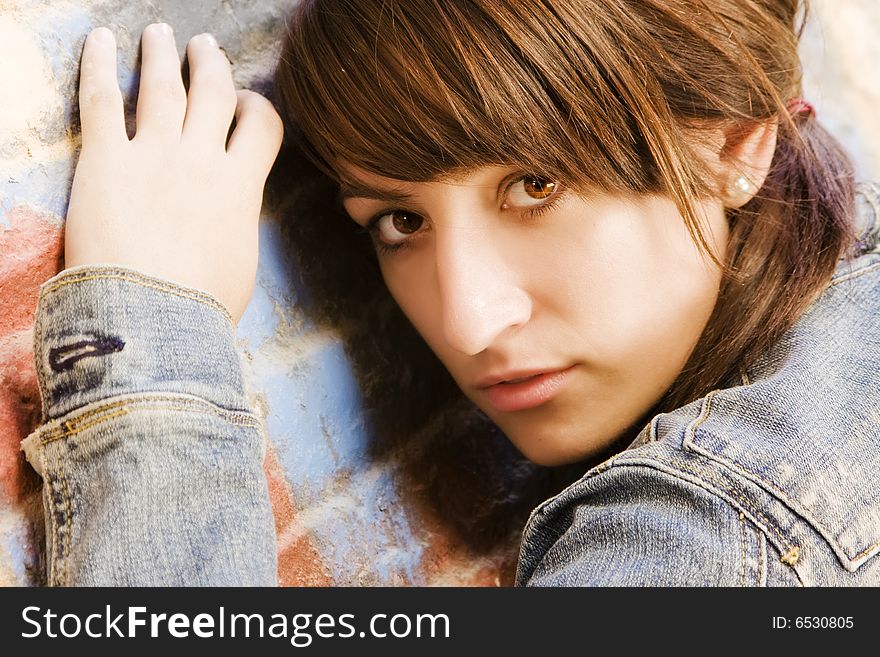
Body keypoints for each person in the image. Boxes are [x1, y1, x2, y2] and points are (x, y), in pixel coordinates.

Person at [22, 0, 880, 585]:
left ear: (735, 145)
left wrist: (152, 351)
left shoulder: (702, 542)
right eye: (399, 220)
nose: (468, 320)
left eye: (537, 185)